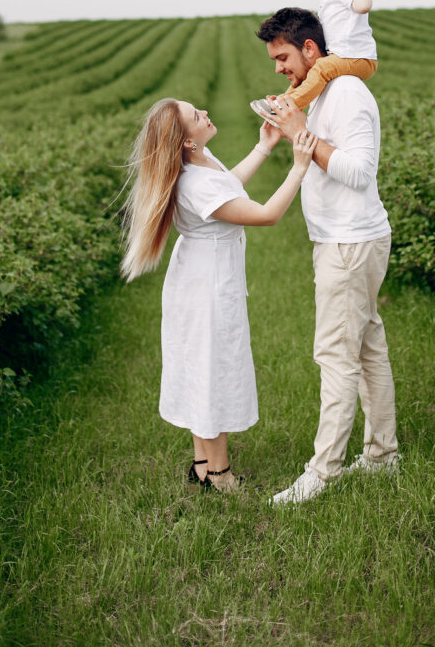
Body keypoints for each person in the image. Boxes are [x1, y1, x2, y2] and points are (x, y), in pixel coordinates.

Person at [120, 97, 317, 493]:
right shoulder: (195, 182)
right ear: (186, 142)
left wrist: (264, 146)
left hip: (201, 278)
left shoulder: (200, 164)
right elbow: (265, 215)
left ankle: (201, 465)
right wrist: (299, 167)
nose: (206, 113)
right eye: (197, 116)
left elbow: (228, 188)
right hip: (206, 288)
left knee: (201, 367)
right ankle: (219, 474)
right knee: (211, 372)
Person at [255, 8, 398, 505]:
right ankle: (382, 456)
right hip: (347, 238)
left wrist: (301, 133)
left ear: (310, 49)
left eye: (283, 58)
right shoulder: (320, 92)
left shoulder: (349, 92)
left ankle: (324, 471)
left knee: (336, 355)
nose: (279, 68)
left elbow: (359, 172)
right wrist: (289, 126)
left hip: (349, 243)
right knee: (367, 346)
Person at [250, 0, 377, 117]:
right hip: (341, 56)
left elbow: (364, 6)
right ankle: (282, 102)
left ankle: (289, 107)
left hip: (357, 57)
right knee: (311, 73)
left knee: (321, 69)